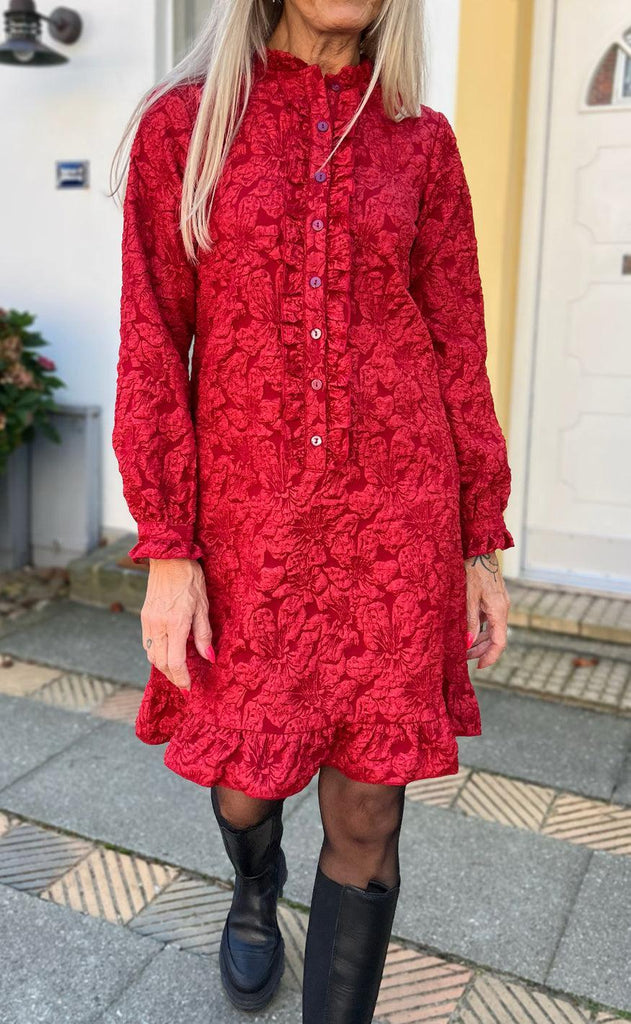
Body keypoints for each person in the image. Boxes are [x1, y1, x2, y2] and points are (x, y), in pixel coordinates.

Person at [111, 0, 513, 1018]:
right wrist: (168, 547)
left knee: (369, 809)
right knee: (247, 784)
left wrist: (478, 541)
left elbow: (457, 345)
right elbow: (152, 342)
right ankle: (256, 886)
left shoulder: (421, 142)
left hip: (397, 524)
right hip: (250, 533)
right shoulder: (184, 127)